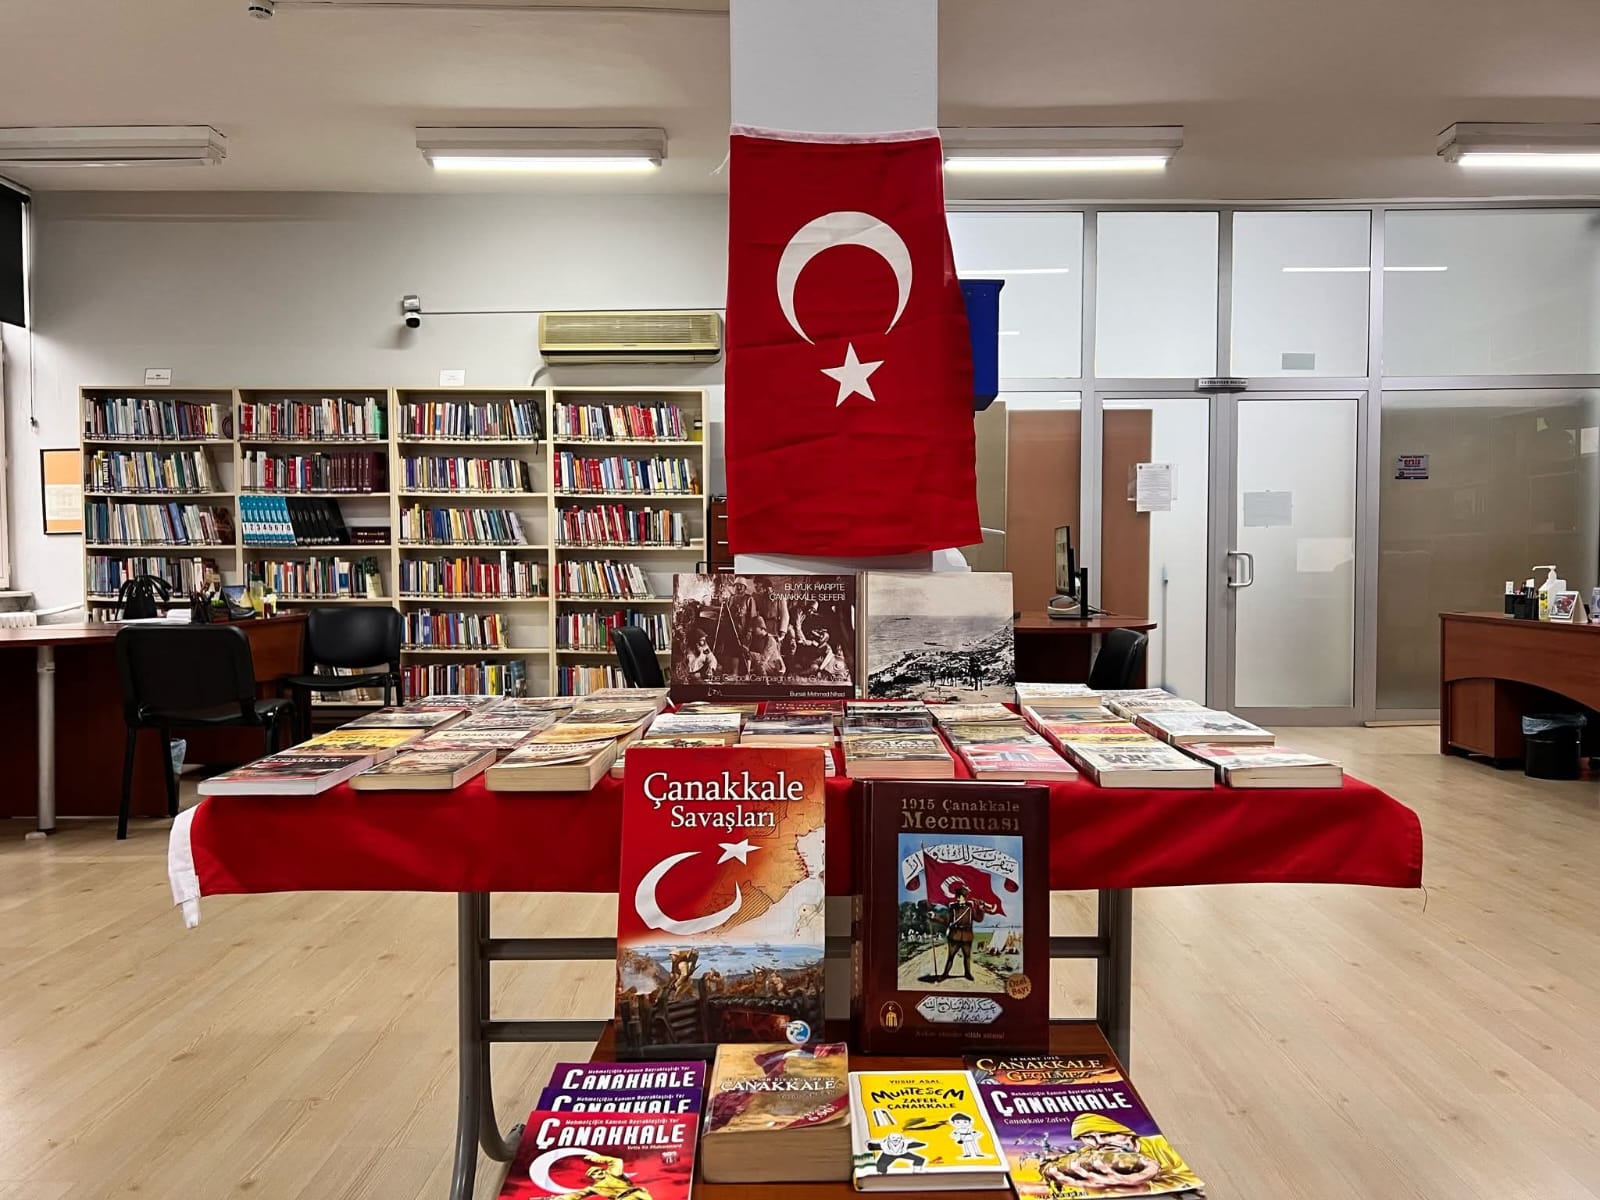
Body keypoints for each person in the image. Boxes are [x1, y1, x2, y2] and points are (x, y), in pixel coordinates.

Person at [1042, 1113, 1202, 1192]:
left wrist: (1148, 1179)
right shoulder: (1088, 1153)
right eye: (1088, 1137)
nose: (1099, 1143)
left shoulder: (1159, 1144)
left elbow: (1190, 1183)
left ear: (1127, 1134)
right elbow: (1050, 1165)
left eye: (1108, 1135)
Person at [935, 880, 986, 982]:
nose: (957, 899)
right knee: (950, 957)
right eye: (957, 897)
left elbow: (979, 919)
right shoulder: (953, 909)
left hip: (967, 936)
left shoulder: (970, 909)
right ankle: (945, 974)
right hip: (955, 936)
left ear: (964, 897)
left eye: (960, 897)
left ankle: (967, 974)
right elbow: (946, 920)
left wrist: (980, 909)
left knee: (967, 956)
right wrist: (934, 916)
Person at [555, 1151, 655, 1200]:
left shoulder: (612, 1173)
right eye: (594, 1173)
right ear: (592, 1177)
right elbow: (576, 1195)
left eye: (599, 1170)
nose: (599, 1172)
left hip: (638, 1193)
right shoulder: (594, 1188)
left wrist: (597, 1158)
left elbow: (616, 1161)